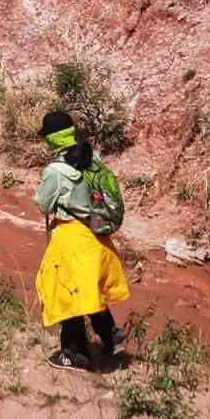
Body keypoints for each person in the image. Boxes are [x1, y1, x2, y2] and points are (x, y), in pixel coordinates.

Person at [35, 109, 130, 374]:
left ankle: (74, 355)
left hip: (72, 237)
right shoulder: (92, 157)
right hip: (96, 236)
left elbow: (42, 204)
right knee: (90, 290)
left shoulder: (56, 170)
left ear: (52, 140)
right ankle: (111, 337)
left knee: (66, 294)